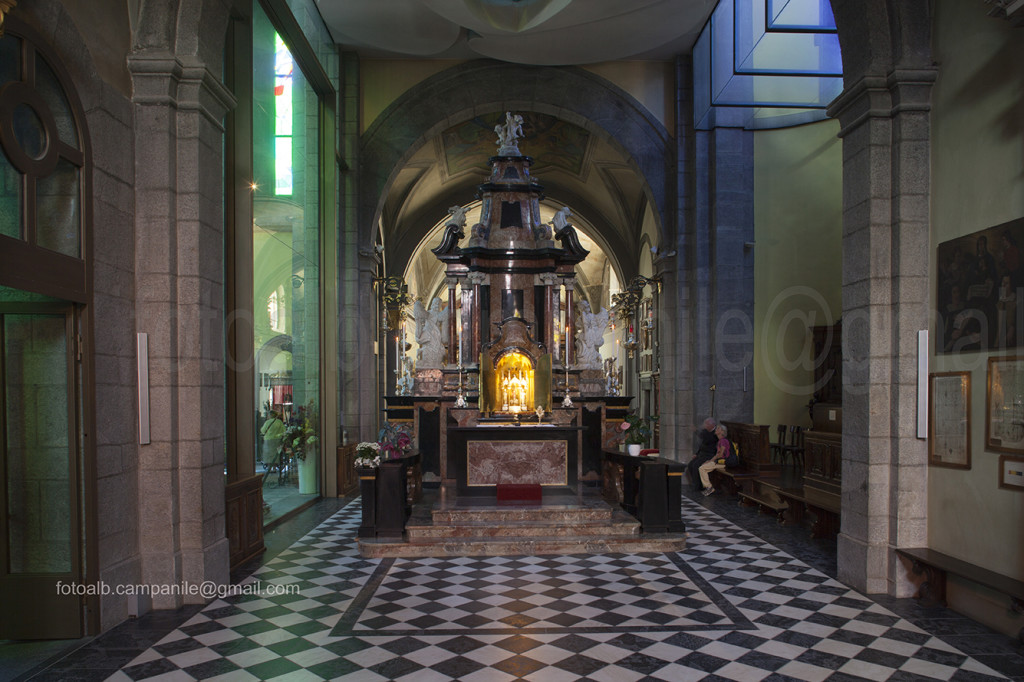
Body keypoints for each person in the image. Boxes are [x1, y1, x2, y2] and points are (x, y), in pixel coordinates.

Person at [698, 423, 731, 496]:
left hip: (723, 463)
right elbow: (717, 454)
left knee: (702, 468)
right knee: (703, 467)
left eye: (718, 429)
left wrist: (711, 461)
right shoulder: (720, 441)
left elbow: (721, 454)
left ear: (722, 432)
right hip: (719, 462)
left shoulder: (723, 441)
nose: (716, 430)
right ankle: (709, 487)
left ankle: (709, 487)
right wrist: (709, 461)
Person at [687, 417, 718, 492]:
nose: (705, 425)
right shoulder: (705, 431)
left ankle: (697, 486)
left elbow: (708, 439)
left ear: (712, 425)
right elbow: (702, 445)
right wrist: (696, 454)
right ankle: (697, 483)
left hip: (710, 455)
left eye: (706, 424)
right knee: (690, 465)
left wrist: (696, 431)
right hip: (702, 454)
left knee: (696, 466)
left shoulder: (715, 433)